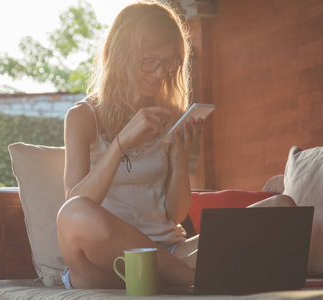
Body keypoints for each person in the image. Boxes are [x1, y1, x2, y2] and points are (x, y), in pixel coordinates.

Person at [56, 0, 294, 291]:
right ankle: (195, 279)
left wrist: (181, 159)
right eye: (150, 61)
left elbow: (175, 215)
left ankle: (174, 278)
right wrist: (123, 140)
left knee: (282, 206)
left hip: (171, 251)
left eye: (169, 62)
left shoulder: (169, 117)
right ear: (122, 57)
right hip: (108, 262)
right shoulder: (83, 117)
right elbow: (74, 200)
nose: (160, 73)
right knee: (74, 214)